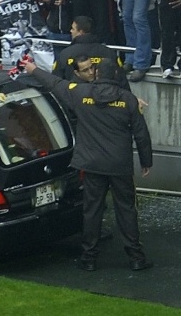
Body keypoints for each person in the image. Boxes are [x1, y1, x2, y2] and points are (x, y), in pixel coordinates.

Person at [21, 51, 153, 271]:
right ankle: (136, 257)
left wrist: (33, 69)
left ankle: (89, 258)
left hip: (91, 164)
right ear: (117, 74)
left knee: (92, 210)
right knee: (126, 210)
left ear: (98, 73)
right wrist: (146, 161)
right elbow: (141, 134)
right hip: (119, 165)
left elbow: (55, 83)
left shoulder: (81, 93)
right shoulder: (128, 100)